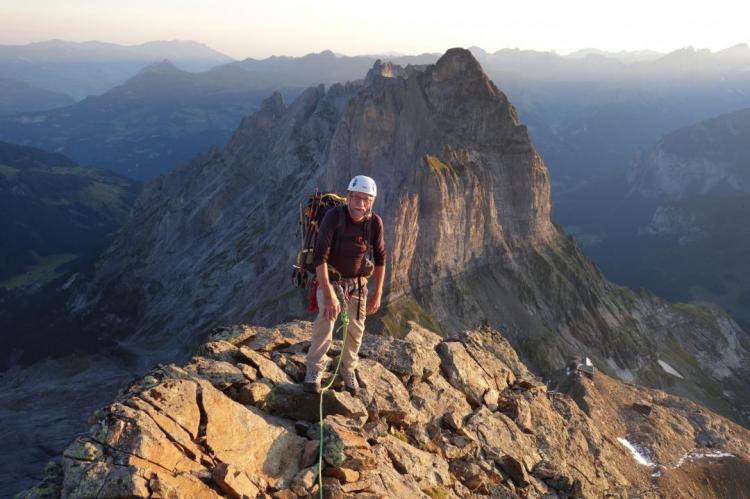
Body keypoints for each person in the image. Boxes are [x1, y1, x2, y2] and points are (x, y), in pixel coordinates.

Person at [304, 175, 386, 395]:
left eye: (365, 200)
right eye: (356, 198)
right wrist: (329, 295)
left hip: (358, 284)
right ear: (348, 197)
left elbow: (380, 258)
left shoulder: (374, 223)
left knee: (356, 328)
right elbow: (320, 258)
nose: (360, 204)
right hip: (330, 280)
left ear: (372, 202)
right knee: (326, 321)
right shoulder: (334, 217)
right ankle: (314, 369)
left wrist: (377, 293)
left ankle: (348, 369)